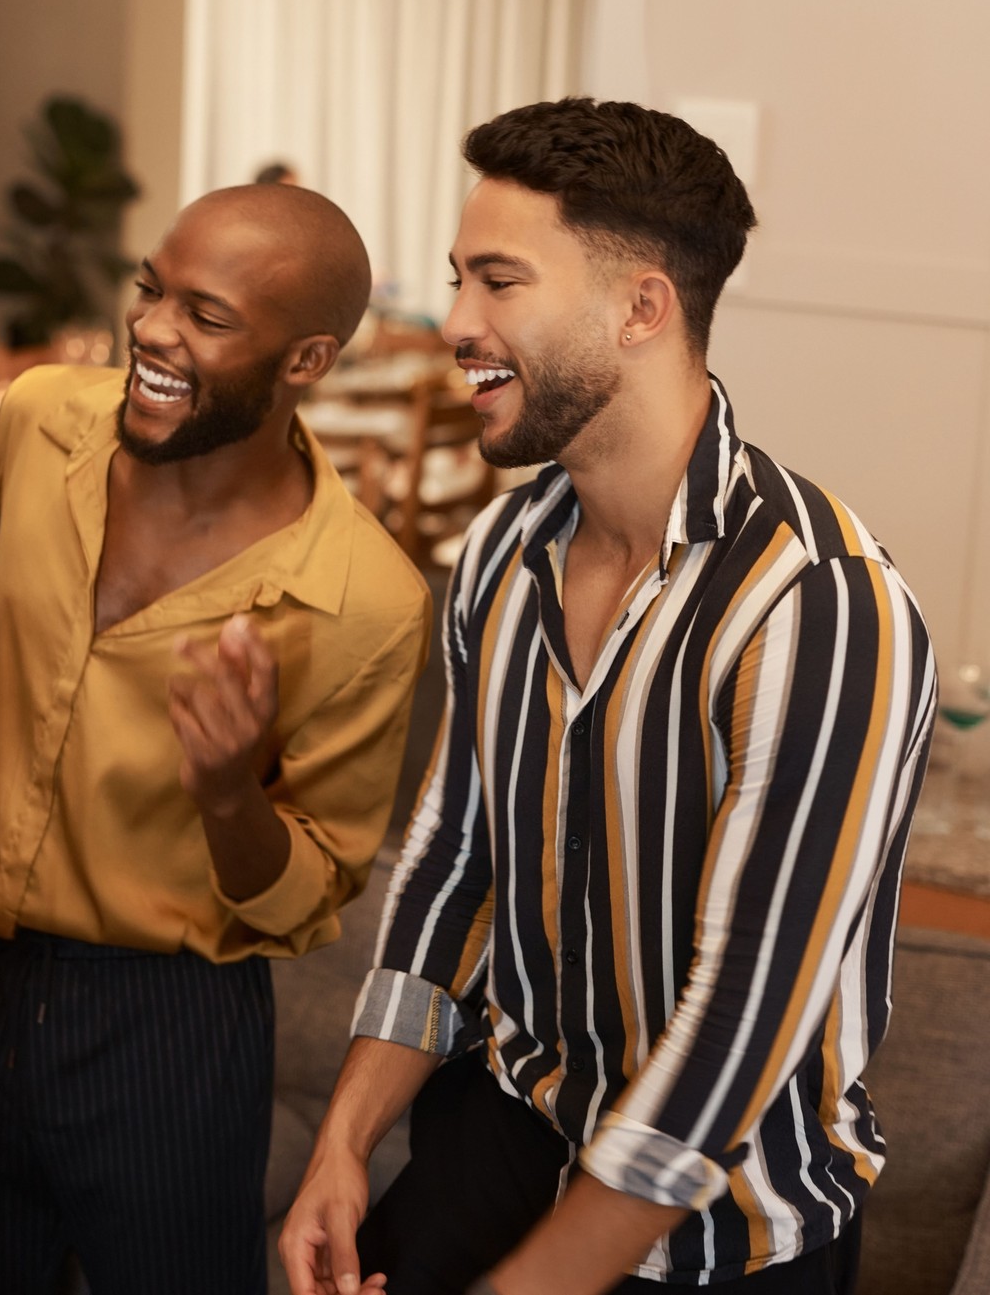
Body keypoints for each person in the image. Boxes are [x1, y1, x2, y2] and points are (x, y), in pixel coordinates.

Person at [279, 98, 935, 1295]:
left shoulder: (821, 606)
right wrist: (342, 1146)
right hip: (507, 1136)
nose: (457, 324)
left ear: (643, 306)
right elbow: (447, 870)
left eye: (499, 281)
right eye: (455, 280)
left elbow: (736, 1035)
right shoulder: (497, 554)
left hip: (727, 1232)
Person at [0, 184, 433, 1295]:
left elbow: (311, 897)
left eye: (207, 314)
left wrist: (228, 791)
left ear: (305, 361)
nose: (151, 328)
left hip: (168, 1031)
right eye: (152, 290)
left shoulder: (368, 603)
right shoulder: (39, 416)